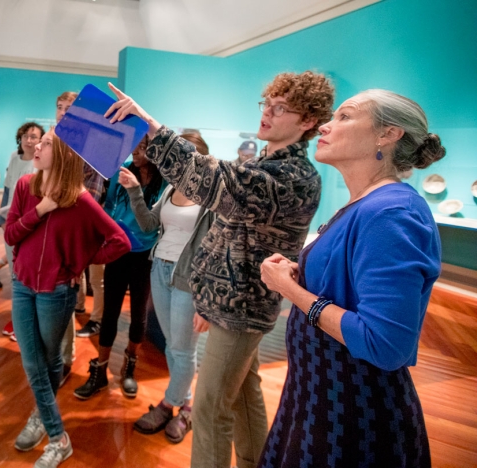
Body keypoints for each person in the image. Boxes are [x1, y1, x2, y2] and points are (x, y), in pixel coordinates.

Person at [104, 71, 334, 468]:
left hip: (240, 309)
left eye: (281, 109)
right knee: (246, 394)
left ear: (308, 120)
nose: (267, 114)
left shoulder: (290, 177)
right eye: (267, 104)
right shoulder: (266, 164)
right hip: (228, 302)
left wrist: (152, 128)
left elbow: (211, 180)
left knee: (210, 410)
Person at [258, 90, 445, 467]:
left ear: (387, 135)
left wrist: (289, 289)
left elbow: (384, 343)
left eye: (345, 116)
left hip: (353, 410)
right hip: (319, 393)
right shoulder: (367, 204)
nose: (326, 125)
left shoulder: (391, 212)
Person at [5, 129, 130, 468]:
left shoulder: (80, 199)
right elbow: (11, 232)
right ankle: (58, 436)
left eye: (45, 144)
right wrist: (41, 209)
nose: (37, 146)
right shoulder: (25, 187)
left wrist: (80, 261)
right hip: (21, 284)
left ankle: (41, 417)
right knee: (34, 362)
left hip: (57, 291)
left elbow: (120, 241)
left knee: (47, 360)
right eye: (38, 141)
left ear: (62, 155)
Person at [122, 133, 216, 444]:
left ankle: (168, 404)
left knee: (182, 348)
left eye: (179, 154)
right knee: (172, 346)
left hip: (189, 277)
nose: (171, 160)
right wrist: (135, 191)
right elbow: (149, 225)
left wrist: (207, 302)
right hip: (159, 269)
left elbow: (217, 248)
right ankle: (187, 404)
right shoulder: (171, 189)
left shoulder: (212, 195)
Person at [74, 134, 166, 401]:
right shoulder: (121, 170)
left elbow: (152, 222)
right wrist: (110, 233)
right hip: (119, 250)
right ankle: (100, 370)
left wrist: (135, 190)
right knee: (110, 312)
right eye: (134, 147)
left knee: (139, 315)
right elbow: (109, 204)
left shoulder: (163, 181)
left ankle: (130, 367)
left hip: (145, 255)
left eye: (143, 148)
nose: (136, 153)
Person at [55, 91, 107, 383]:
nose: (62, 112)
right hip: (49, 232)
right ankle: (54, 354)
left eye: (69, 108)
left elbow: (92, 197)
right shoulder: (53, 142)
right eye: (59, 108)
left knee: (66, 296)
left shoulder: (92, 149)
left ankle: (64, 358)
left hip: (73, 234)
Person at [0, 122, 45, 340]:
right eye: (25, 136)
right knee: (14, 273)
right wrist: (3, 218)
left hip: (31, 224)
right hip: (12, 224)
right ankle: (19, 318)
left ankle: (31, 321)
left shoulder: (42, 163)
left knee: (29, 273)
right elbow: (8, 188)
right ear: (20, 138)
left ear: (41, 141)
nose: (29, 140)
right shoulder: (14, 157)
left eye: (34, 137)